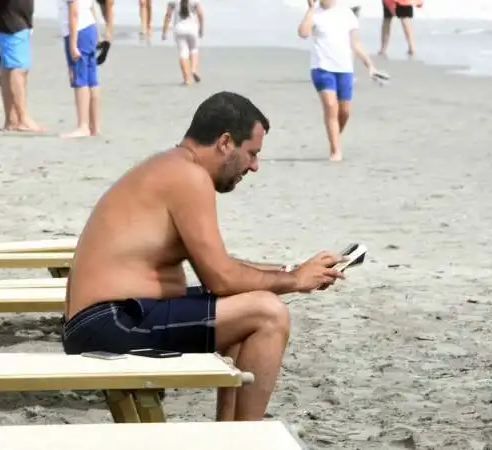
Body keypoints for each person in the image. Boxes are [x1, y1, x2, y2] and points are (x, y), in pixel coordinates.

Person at [61, 91, 348, 421]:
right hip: (108, 322)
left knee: (250, 310)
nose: (254, 166)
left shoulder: (174, 166)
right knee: (268, 313)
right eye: (252, 153)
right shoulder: (188, 176)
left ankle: (229, 437)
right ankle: (243, 439)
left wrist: (294, 270)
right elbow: (221, 278)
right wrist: (294, 281)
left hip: (113, 317)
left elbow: (220, 265)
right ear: (226, 142)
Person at [298, 0, 378, 162]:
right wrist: (311, 9)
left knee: (345, 112)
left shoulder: (347, 14)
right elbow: (303, 32)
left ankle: (334, 138)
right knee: (330, 106)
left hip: (344, 69)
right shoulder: (315, 13)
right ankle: (335, 150)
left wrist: (370, 65)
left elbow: (356, 43)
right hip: (321, 68)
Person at [0, 0, 42, 132]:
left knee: (10, 67)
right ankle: (23, 119)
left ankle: (11, 120)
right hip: (11, 21)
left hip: (13, 19)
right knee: (18, 69)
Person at [58, 0, 101, 138]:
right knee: (91, 79)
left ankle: (83, 125)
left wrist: (72, 43)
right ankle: (94, 126)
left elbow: (74, 12)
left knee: (80, 77)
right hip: (89, 28)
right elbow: (92, 7)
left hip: (78, 31)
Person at [161, 0, 205, 85]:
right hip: (192, 29)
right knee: (194, 49)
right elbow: (200, 14)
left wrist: (164, 32)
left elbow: (168, 15)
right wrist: (201, 29)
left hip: (179, 30)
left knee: (183, 53)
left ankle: (187, 80)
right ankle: (193, 70)